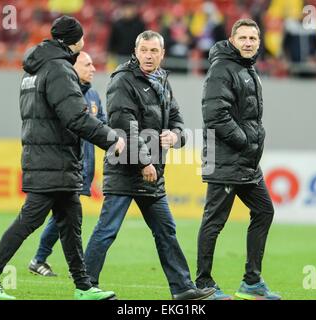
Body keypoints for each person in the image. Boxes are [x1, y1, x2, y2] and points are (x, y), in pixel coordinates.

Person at [0, 16, 125, 300]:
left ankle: (83, 287)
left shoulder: (33, 69)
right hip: (52, 159)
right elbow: (76, 117)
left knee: (71, 224)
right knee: (29, 220)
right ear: (74, 40)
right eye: (82, 38)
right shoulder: (58, 69)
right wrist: (111, 138)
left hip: (50, 158)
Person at [83, 30, 216, 300]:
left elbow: (177, 118)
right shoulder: (123, 80)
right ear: (135, 51)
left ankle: (182, 289)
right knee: (107, 230)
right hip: (125, 168)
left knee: (166, 230)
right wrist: (144, 161)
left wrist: (176, 135)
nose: (148, 55)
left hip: (153, 172)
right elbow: (122, 127)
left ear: (162, 54)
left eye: (154, 51)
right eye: (144, 50)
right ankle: (84, 286)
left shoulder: (162, 80)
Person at [197, 18, 281, 300]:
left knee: (265, 211)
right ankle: (203, 284)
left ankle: (252, 282)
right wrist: (244, 141)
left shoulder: (248, 69)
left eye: (253, 39)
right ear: (232, 41)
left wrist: (249, 145)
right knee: (214, 221)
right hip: (226, 159)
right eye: (243, 38)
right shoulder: (222, 68)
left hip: (244, 162)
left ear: (259, 42)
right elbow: (214, 115)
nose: (248, 43)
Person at [28, 51, 107, 277]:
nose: (93, 68)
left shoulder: (92, 95)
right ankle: (46, 260)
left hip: (83, 170)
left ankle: (44, 259)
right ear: (73, 68)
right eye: (87, 64)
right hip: (65, 167)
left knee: (63, 217)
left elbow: (102, 126)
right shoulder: (64, 93)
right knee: (62, 217)